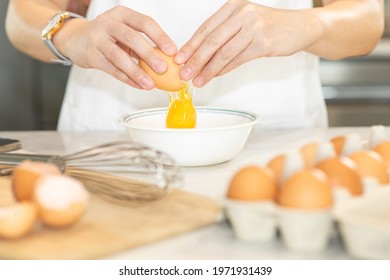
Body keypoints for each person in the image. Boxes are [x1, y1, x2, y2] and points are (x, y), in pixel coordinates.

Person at [5, 0, 384, 131]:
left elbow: (368, 18)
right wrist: (72, 35)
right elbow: (21, 15)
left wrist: (306, 24)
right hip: (111, 145)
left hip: (274, 139)